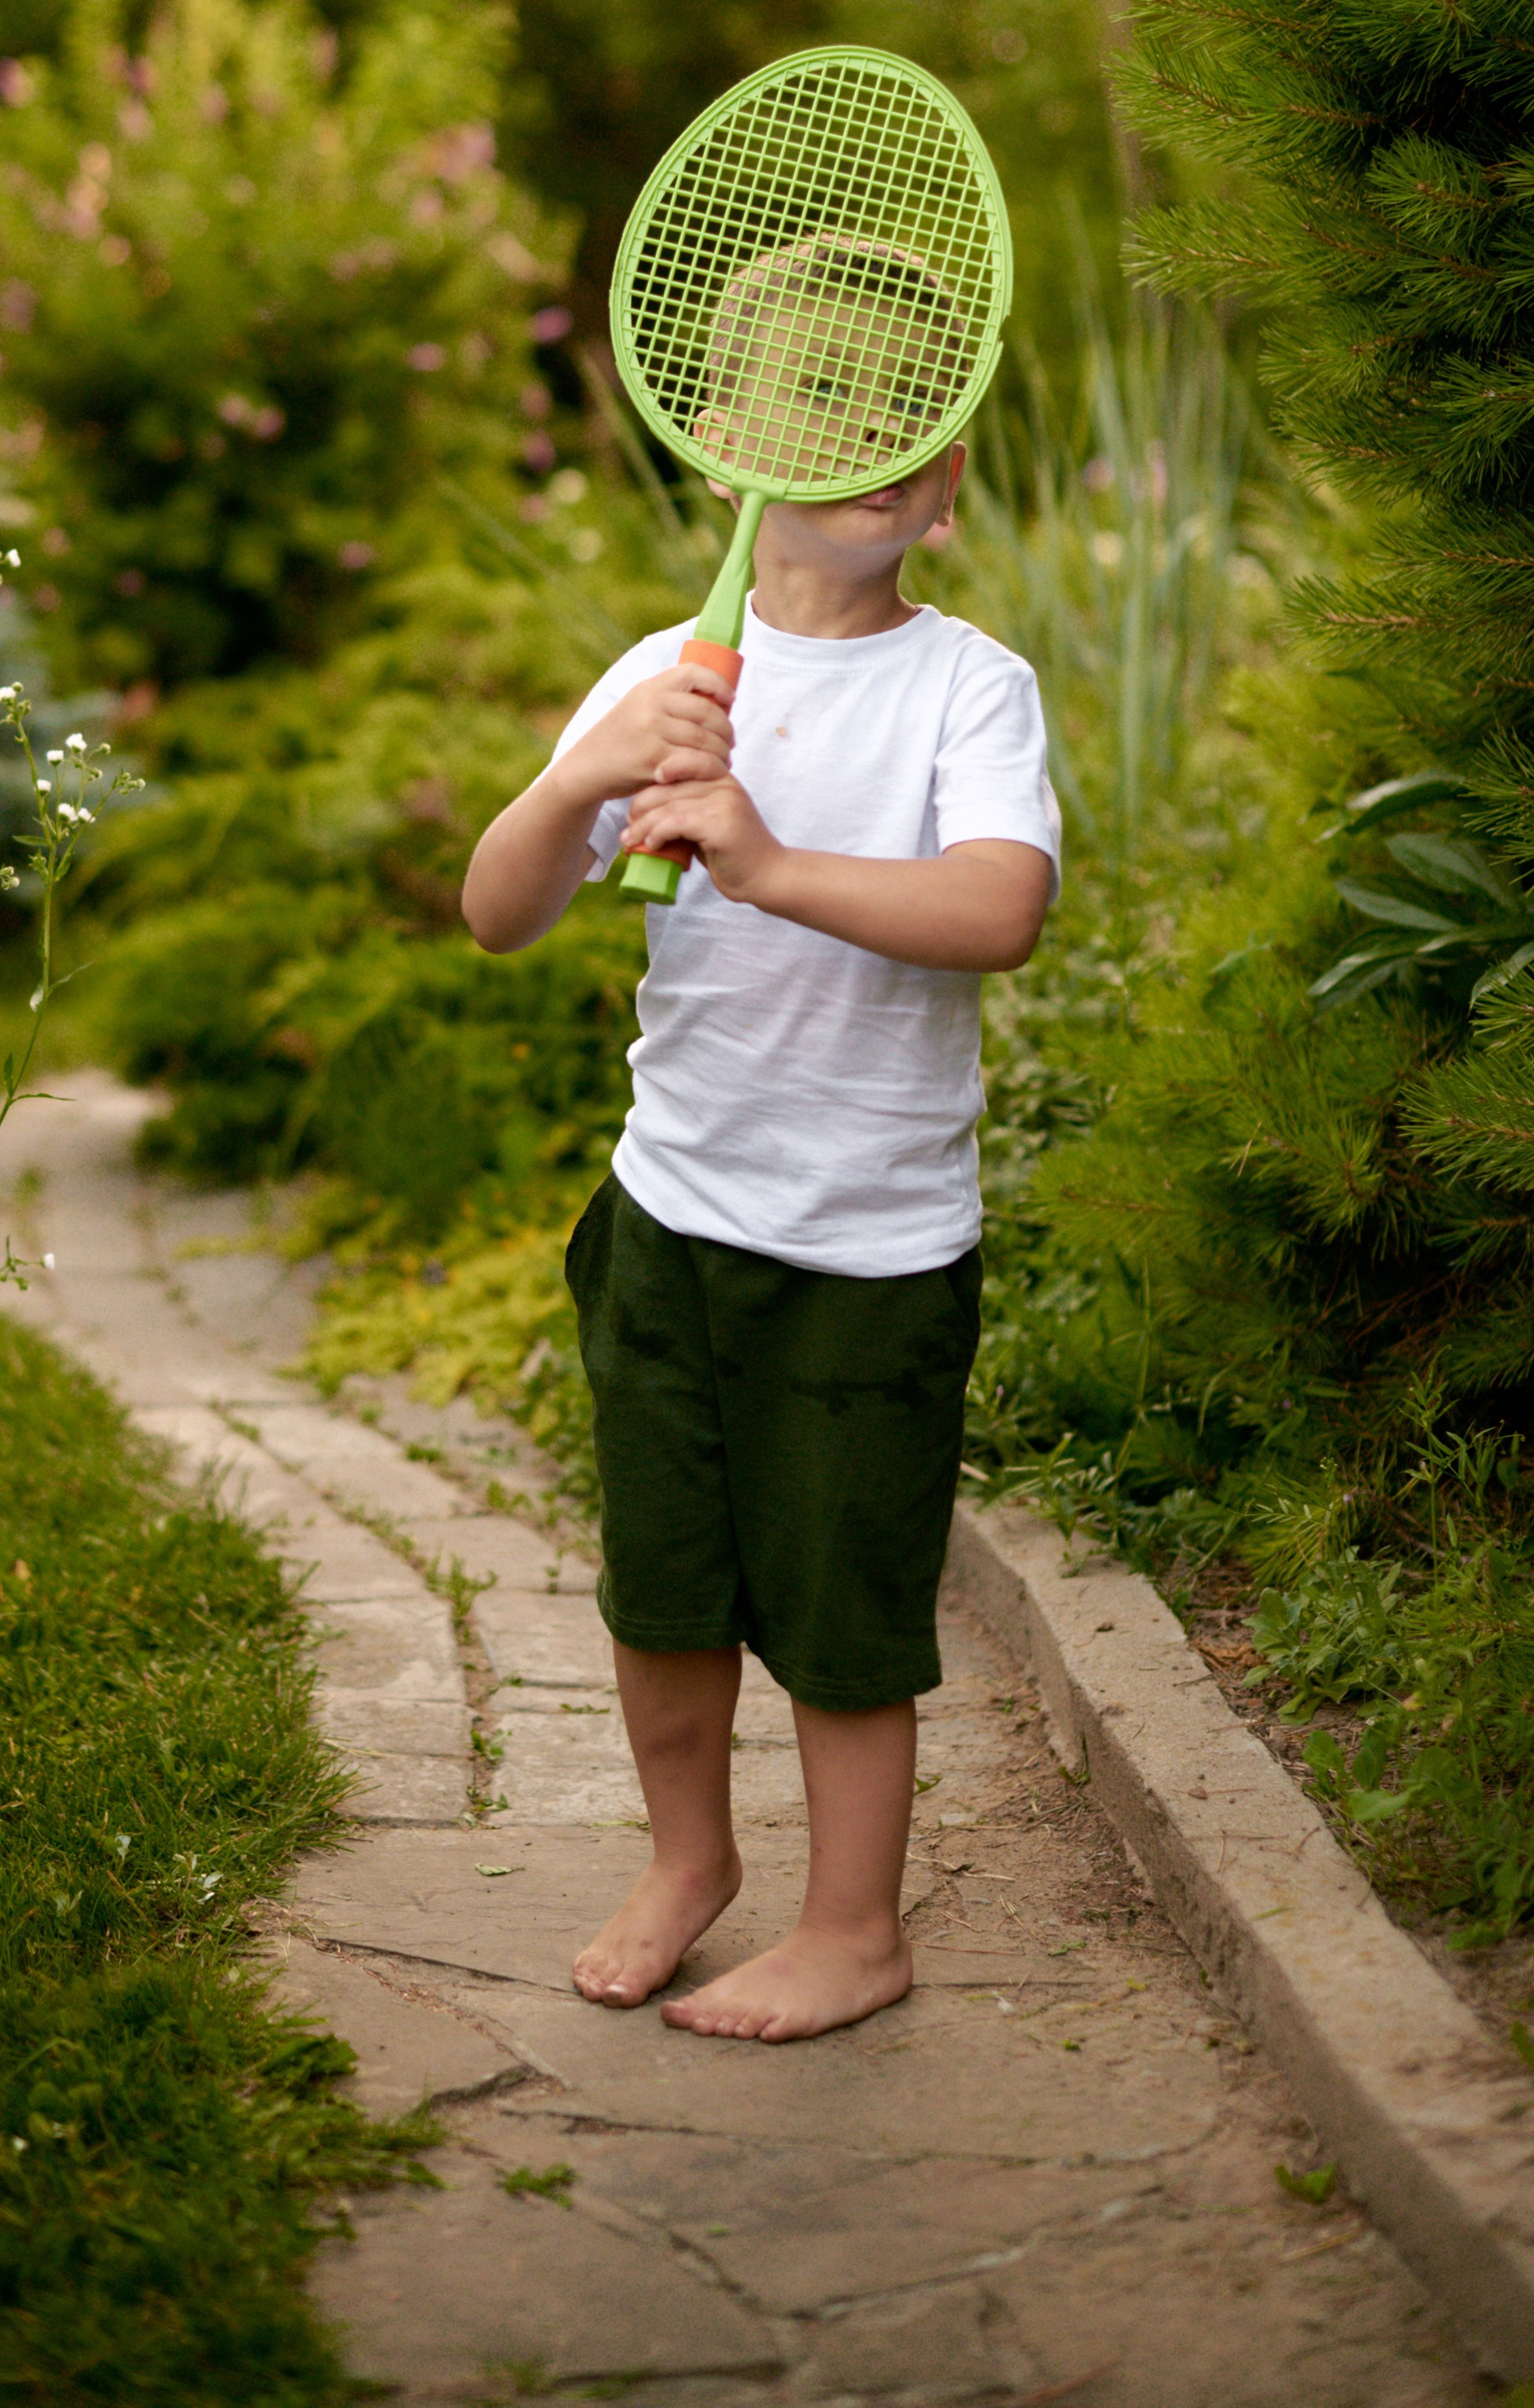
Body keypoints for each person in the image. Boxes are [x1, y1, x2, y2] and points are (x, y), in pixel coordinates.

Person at [459, 437, 1060, 2043]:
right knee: (661, 1592)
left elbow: (1000, 910)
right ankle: (686, 1864)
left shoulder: (967, 688)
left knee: (844, 1610)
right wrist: (582, 775)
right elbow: (497, 909)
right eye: (843, 429)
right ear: (744, 470)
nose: (887, 459)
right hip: (672, 1214)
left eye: (922, 444)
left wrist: (770, 864)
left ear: (947, 506)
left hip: (868, 1250)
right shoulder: (667, 673)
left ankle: (858, 1929)